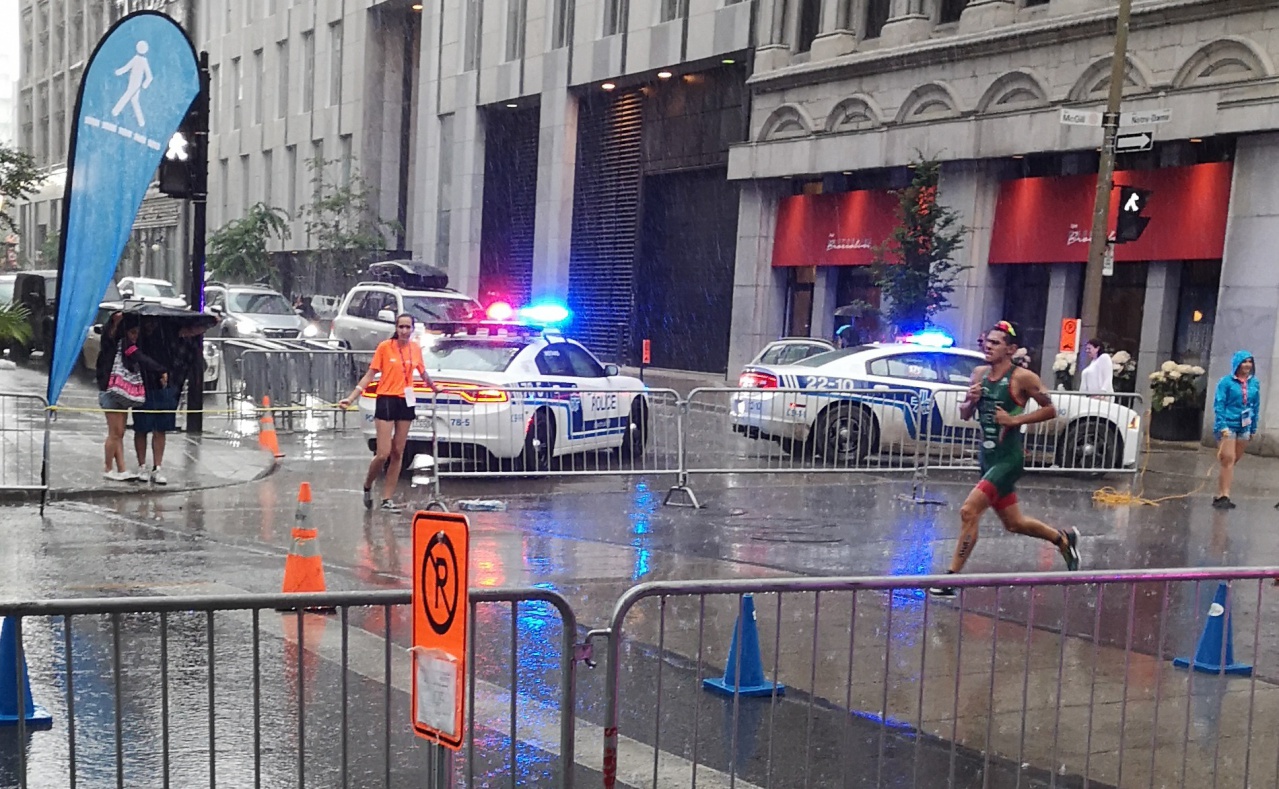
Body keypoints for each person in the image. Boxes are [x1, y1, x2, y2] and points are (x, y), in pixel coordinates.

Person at [928, 320, 1081, 598]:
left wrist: (1014, 419)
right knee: (1014, 523)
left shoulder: (1023, 378)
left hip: (1009, 459)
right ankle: (1062, 539)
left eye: (995, 343)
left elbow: (1051, 410)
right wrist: (970, 401)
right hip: (987, 457)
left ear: (1010, 349)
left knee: (968, 511)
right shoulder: (978, 374)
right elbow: (964, 414)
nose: (988, 346)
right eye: (987, 341)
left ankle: (951, 578)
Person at [339, 313, 435, 511]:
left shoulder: (415, 349)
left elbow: (423, 373)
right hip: (386, 400)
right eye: (401, 327)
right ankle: (367, 485)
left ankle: (386, 499)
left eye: (408, 327)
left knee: (398, 452)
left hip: (405, 401)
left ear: (412, 329)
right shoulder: (385, 347)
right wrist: (351, 397)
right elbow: (370, 375)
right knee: (383, 453)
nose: (404, 331)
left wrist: (435, 387)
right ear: (396, 328)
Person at [1212, 350, 1258, 510]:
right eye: (1244, 361)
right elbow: (1219, 404)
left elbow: (1255, 405)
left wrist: (1253, 427)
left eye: (1250, 362)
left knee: (1233, 459)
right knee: (1228, 459)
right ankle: (1223, 494)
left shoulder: (1254, 383)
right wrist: (1222, 425)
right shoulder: (1226, 382)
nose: (1247, 365)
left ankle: (1222, 490)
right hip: (1228, 425)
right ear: (1237, 364)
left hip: (1244, 425)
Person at [132, 318, 175, 485]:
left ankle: (157, 467)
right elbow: (138, 357)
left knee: (160, 429)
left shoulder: (165, 337)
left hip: (161, 388)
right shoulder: (137, 339)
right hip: (141, 386)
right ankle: (142, 465)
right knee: (141, 428)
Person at [96, 311, 136, 481]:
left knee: (120, 431)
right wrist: (115, 322)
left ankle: (121, 468)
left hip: (122, 390)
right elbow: (109, 335)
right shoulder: (109, 347)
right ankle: (108, 467)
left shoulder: (125, 347)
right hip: (110, 389)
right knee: (114, 432)